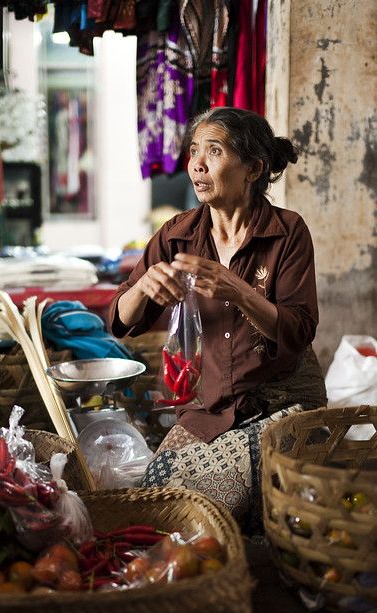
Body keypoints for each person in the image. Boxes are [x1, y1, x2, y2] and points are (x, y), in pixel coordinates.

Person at [108, 107, 327, 532]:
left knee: (216, 508)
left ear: (253, 169)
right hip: (209, 407)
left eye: (214, 150)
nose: (197, 164)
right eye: (194, 151)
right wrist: (144, 287)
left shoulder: (288, 231)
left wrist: (237, 291)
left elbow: (299, 330)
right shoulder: (177, 234)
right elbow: (119, 318)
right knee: (162, 498)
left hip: (282, 402)